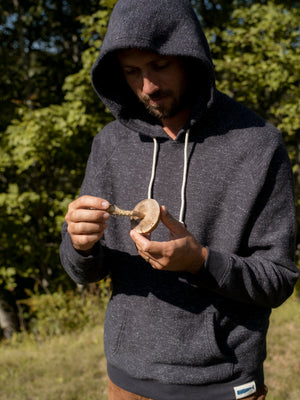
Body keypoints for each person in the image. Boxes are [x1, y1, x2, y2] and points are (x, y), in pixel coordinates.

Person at [59, 0, 299, 399]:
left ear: (191, 58)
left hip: (224, 382)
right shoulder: (110, 144)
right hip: (128, 381)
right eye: (132, 72)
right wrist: (79, 245)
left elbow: (278, 279)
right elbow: (82, 271)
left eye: (160, 66)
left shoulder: (257, 144)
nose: (147, 87)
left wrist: (202, 262)